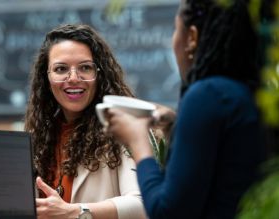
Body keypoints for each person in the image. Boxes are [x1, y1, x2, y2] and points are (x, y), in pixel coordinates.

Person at [106, 0, 268, 218]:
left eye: (175, 29)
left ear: (192, 37)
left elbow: (167, 211)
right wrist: (176, 128)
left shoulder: (207, 94)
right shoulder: (247, 93)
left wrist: (137, 139)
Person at [24, 24, 147, 219]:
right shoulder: (41, 133)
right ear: (46, 78)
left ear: (100, 74)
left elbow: (143, 204)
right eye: (61, 69)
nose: (73, 78)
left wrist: (75, 212)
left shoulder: (123, 127)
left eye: (85, 68)